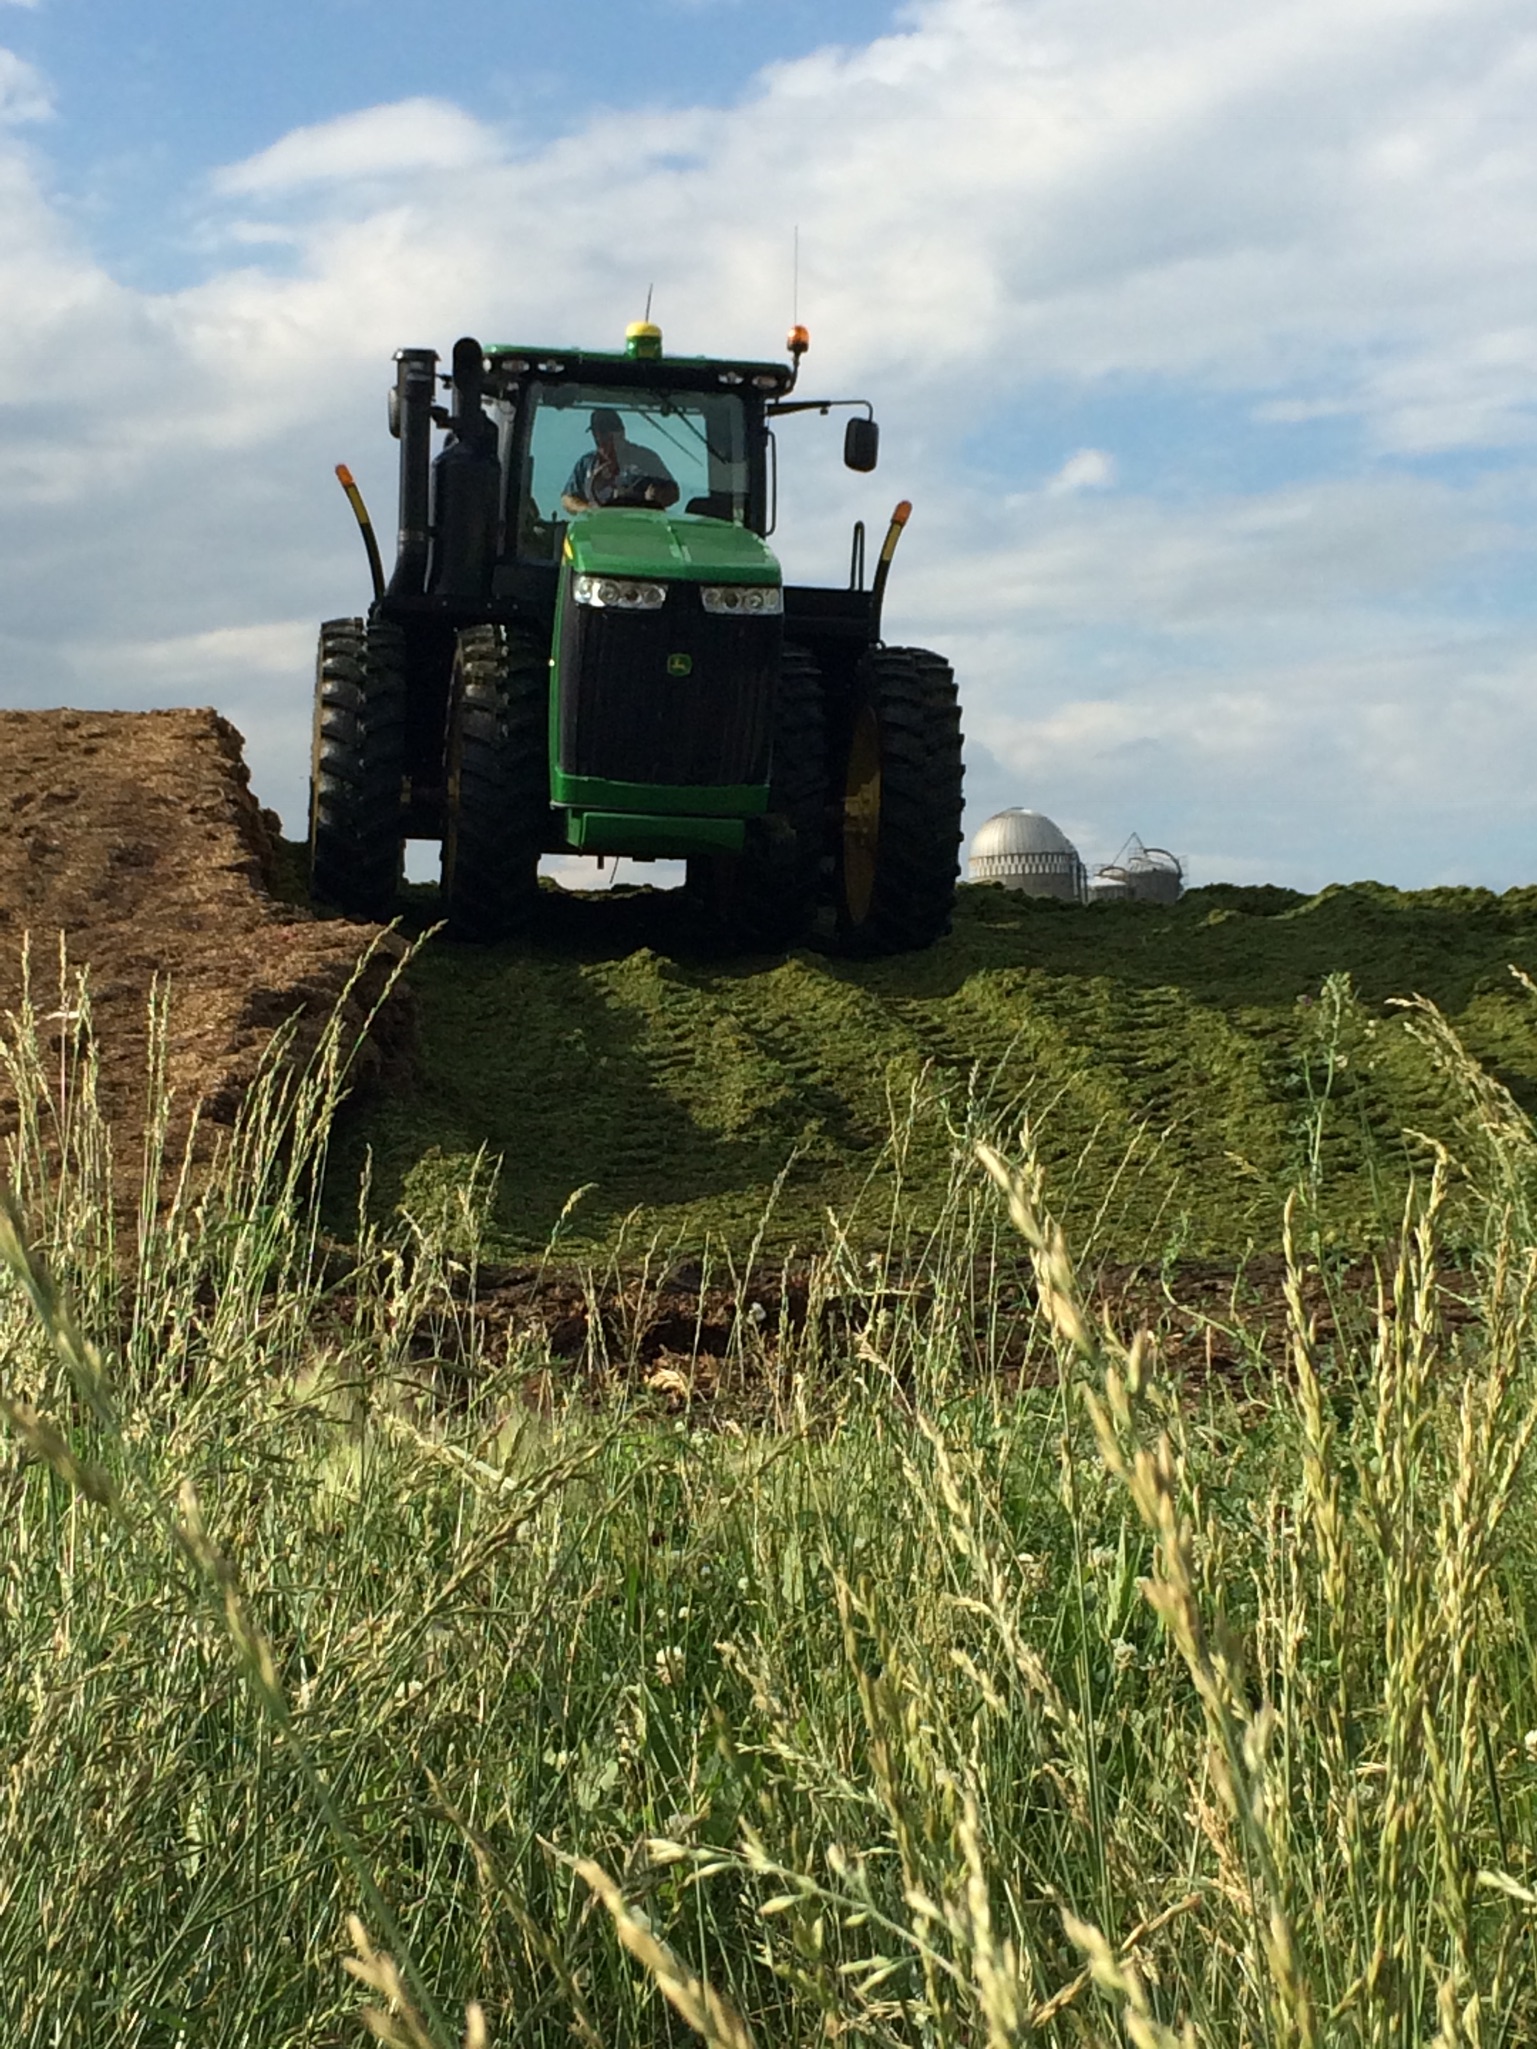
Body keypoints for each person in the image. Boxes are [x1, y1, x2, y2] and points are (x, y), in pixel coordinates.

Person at [562, 407, 679, 513]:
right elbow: (567, 499)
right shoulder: (586, 464)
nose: (600, 437)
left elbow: (674, 492)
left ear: (621, 432)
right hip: (599, 530)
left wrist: (657, 496)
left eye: (606, 433)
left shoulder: (646, 459)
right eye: (596, 433)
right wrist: (589, 511)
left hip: (641, 527)